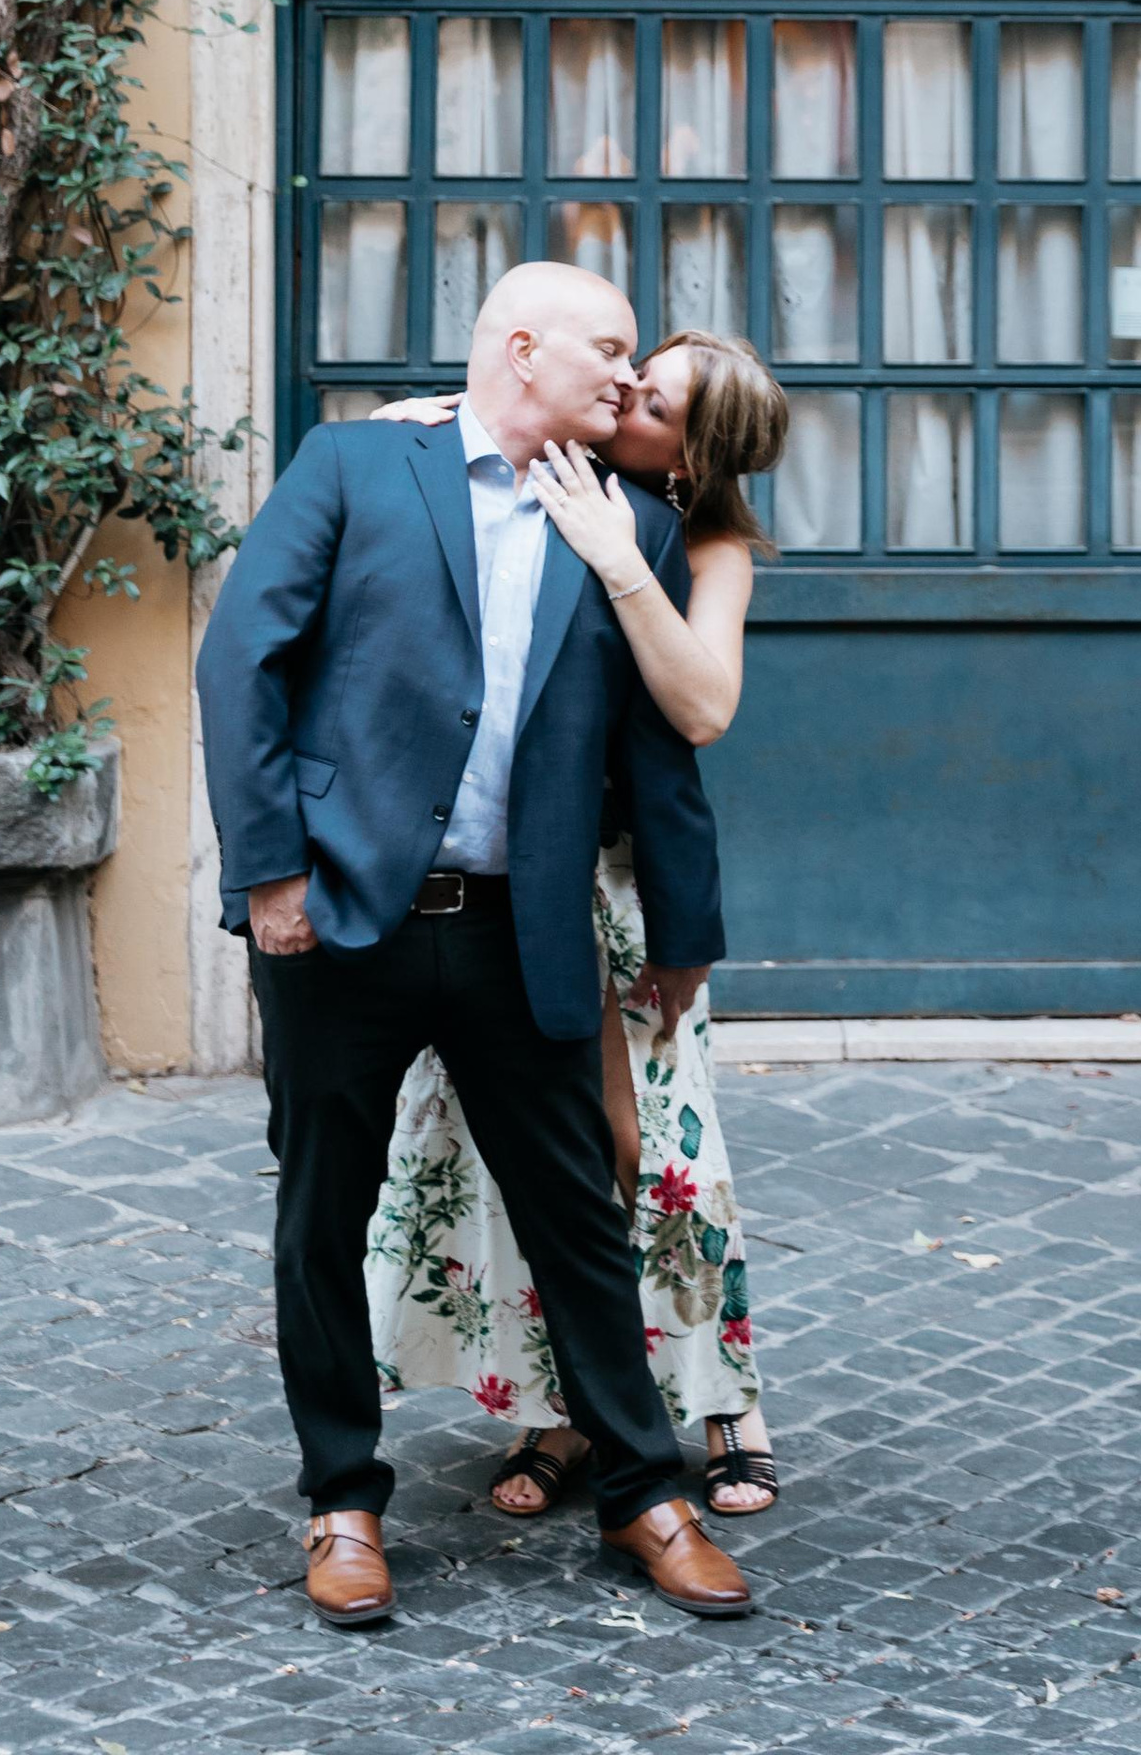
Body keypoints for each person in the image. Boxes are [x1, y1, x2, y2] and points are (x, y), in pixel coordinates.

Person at [196, 262, 754, 1632]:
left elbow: (658, 753)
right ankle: (342, 1500)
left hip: (526, 930)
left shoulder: (622, 520)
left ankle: (642, 1490)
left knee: (578, 1212)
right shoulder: (356, 468)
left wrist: (683, 938)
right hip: (341, 923)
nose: (629, 380)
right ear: (521, 348)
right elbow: (239, 665)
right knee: (322, 1213)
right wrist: (272, 876)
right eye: (609, 351)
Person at [362, 330, 789, 1519]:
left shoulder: (701, 542)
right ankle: (566, 1409)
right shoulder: (550, 468)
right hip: (496, 880)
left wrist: (619, 561)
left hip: (616, 888)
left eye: (654, 401)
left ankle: (724, 1403)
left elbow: (702, 708)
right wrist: (444, 401)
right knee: (516, 1157)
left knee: (657, 1152)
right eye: (633, 373)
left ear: (691, 457)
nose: (624, 394)